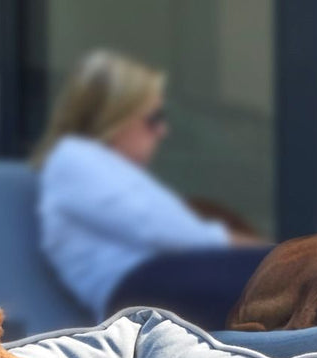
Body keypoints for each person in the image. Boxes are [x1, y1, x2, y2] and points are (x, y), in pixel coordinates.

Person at [31, 49, 266, 322]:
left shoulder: (111, 169)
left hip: (166, 277)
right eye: (153, 117)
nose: (162, 130)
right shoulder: (73, 158)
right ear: (115, 116)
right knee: (290, 274)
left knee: (297, 273)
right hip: (138, 290)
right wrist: (254, 247)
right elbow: (159, 229)